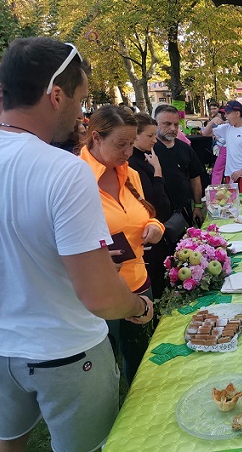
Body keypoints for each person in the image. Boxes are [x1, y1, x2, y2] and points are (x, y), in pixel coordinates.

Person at [0, 37, 153, 452]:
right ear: (56, 94)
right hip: (66, 351)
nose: (81, 114)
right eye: (81, 99)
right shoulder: (64, 171)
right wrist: (138, 306)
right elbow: (100, 295)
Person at [80, 105, 165, 385]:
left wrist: (155, 227)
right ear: (96, 138)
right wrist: (96, 258)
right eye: (121, 144)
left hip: (139, 282)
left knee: (141, 362)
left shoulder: (129, 173)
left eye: (131, 143)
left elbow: (145, 216)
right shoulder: (75, 178)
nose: (129, 152)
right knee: (102, 371)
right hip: (100, 294)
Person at [129, 112, 173, 299]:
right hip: (149, 237)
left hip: (158, 229)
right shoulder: (133, 165)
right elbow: (154, 202)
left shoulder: (146, 157)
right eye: (150, 136)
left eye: (155, 135)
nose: (155, 140)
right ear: (135, 135)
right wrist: (157, 171)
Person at [153, 104, 207, 226]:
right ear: (155, 123)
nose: (173, 128)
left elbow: (195, 177)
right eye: (167, 124)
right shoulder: (149, 149)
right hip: (158, 217)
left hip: (185, 212)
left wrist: (198, 206)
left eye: (176, 124)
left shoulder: (185, 148)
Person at [202, 100, 242, 192]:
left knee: (241, 201)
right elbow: (205, 133)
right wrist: (212, 121)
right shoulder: (227, 128)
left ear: (237, 113)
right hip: (229, 173)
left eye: (228, 113)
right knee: (231, 201)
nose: (225, 116)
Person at [210, 106, 228, 184]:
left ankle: (216, 190)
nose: (224, 115)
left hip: (224, 149)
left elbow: (224, 139)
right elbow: (208, 132)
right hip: (219, 148)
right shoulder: (218, 123)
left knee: (218, 170)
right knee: (219, 170)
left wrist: (217, 138)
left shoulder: (226, 125)